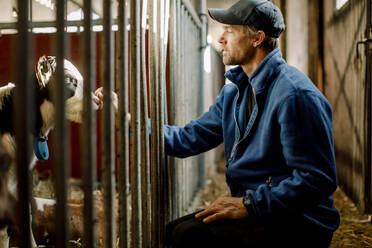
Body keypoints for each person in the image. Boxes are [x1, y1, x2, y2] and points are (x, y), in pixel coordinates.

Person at [95, 0, 340, 247]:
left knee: (186, 236)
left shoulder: (294, 95)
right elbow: (188, 138)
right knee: (171, 231)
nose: (220, 38)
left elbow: (317, 179)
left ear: (257, 39)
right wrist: (129, 120)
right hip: (262, 209)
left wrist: (249, 204)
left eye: (229, 30)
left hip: (300, 222)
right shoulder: (234, 94)